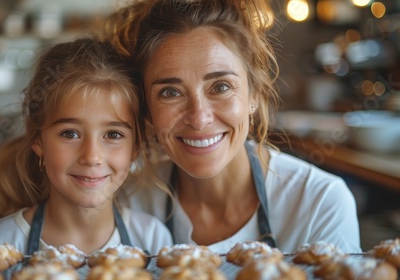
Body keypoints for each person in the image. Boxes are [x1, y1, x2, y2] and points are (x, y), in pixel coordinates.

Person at [104, 0, 362, 254]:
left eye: (220, 87)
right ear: (147, 109)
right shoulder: (129, 201)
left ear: (254, 94)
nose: (199, 118)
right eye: (171, 92)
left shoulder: (319, 203)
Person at [0, 38, 173, 255]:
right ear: (36, 138)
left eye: (113, 134)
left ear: (136, 146)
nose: (92, 156)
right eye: (70, 134)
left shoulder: (152, 238)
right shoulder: (2, 243)